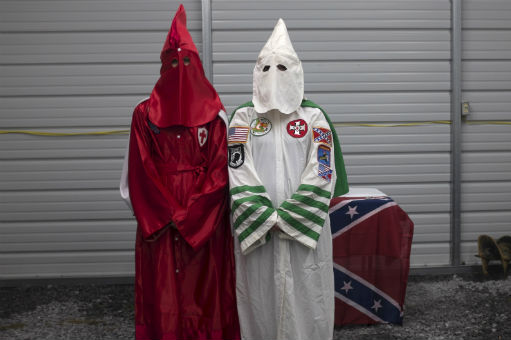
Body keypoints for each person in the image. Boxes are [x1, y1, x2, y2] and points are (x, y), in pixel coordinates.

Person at [119, 5, 240, 339]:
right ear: (162, 67)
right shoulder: (143, 115)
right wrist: (165, 216)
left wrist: (192, 217)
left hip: (205, 219)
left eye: (186, 62)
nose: (180, 70)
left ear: (197, 65)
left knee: (206, 288)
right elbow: (138, 170)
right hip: (160, 221)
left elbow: (221, 172)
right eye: (173, 62)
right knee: (165, 291)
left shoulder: (217, 116)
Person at [227, 18, 348, 340]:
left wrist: (292, 217)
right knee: (258, 294)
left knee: (308, 293)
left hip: (304, 228)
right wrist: (266, 217)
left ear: (296, 71)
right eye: (265, 68)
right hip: (259, 229)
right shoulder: (242, 118)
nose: (273, 75)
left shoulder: (315, 118)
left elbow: (323, 170)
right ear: (256, 72)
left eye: (282, 67)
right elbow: (236, 167)